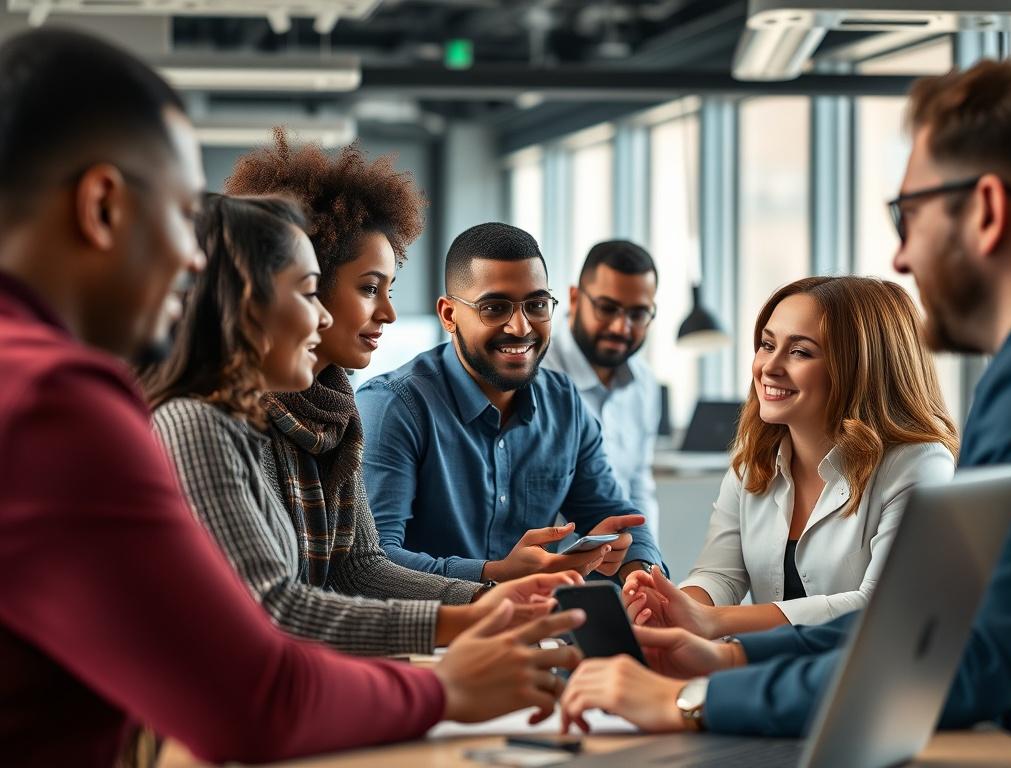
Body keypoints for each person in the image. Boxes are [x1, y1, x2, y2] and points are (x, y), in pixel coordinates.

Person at [0, 28, 584, 767]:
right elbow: (252, 693)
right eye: (183, 216)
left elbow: (346, 574)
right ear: (104, 205)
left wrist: (472, 609)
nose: (193, 258)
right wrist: (448, 686)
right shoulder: (57, 402)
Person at [560, 57, 1011, 739]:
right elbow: (913, 631)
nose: (899, 258)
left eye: (908, 214)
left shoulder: (991, 409)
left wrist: (697, 696)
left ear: (985, 209)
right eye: (767, 343)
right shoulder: (764, 454)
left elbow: (946, 647)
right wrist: (724, 650)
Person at [146, 190, 575, 657]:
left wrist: (487, 603)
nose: (387, 312)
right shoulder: (198, 424)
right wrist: (468, 621)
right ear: (246, 304)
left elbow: (356, 569)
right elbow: (273, 609)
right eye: (310, 292)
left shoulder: (331, 412)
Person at [625, 276, 956, 638]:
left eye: (800, 352)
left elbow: (881, 606)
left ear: (862, 367)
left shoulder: (919, 464)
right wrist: (675, 606)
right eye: (767, 345)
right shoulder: (754, 461)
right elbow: (719, 575)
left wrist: (714, 622)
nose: (769, 366)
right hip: (770, 675)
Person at [356, 222, 664, 582]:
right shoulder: (393, 407)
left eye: (536, 305)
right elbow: (374, 563)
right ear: (449, 315)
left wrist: (637, 573)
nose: (521, 327)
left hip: (540, 631)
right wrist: (496, 575)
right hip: (431, 634)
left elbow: (617, 514)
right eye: (495, 308)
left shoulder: (566, 405)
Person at [542, 240, 662, 542]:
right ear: (574, 298)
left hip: (622, 565)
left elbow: (638, 485)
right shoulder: (539, 375)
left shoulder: (645, 384)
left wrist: (649, 559)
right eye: (607, 308)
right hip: (552, 567)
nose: (622, 327)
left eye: (638, 314)